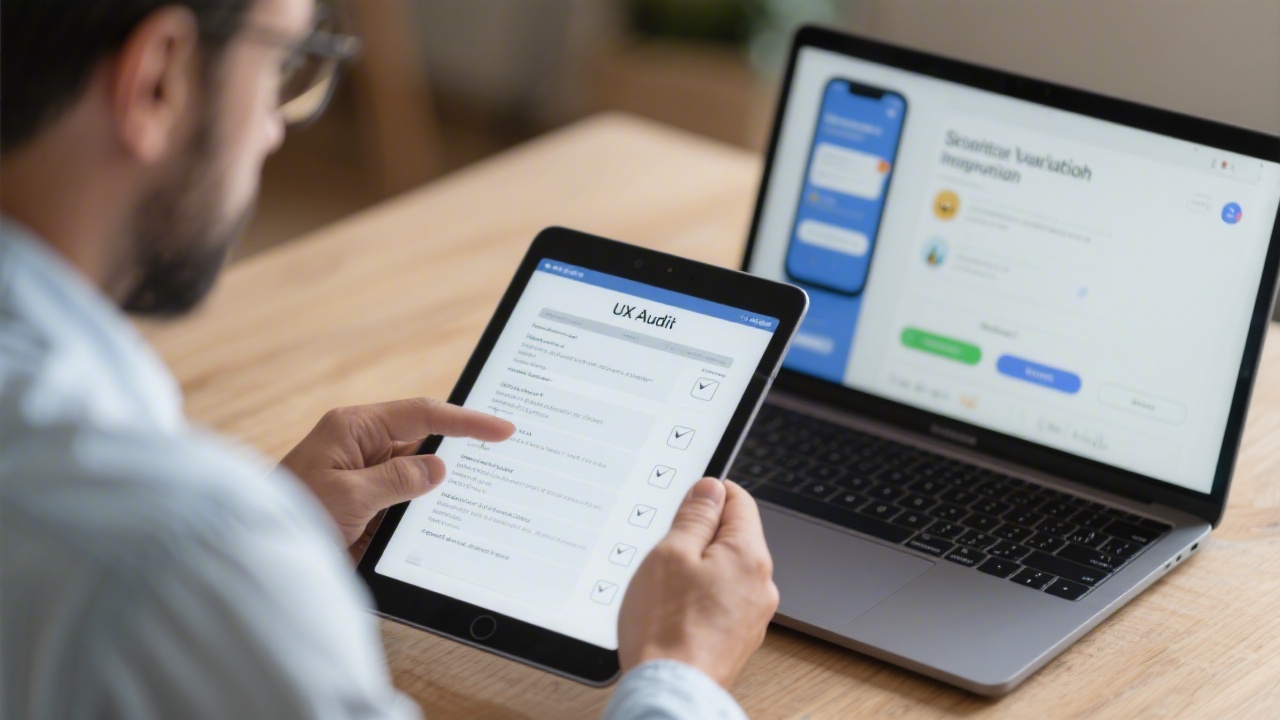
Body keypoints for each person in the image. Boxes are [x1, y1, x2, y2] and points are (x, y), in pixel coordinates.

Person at [0, 0, 780, 718]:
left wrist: (280, 536)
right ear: (158, 77)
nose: (277, 127)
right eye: (281, 64)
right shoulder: (180, 555)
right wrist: (682, 675)